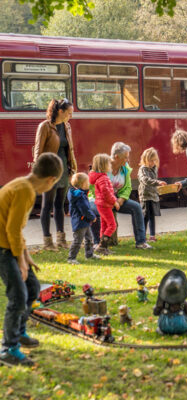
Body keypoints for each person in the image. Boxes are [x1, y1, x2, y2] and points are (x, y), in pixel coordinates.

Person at [0, 153, 63, 367]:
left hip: (9, 245)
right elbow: (12, 230)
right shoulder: (25, 191)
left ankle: (19, 332)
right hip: (2, 248)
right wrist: (20, 262)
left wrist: (26, 257)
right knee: (18, 297)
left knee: (33, 287)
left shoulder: (23, 185)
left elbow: (15, 228)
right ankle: (9, 349)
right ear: (50, 180)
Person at [89, 142, 152, 250]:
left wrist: (121, 199)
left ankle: (141, 242)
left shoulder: (125, 168)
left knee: (136, 207)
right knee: (96, 211)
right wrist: (110, 202)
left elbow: (127, 187)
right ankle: (97, 243)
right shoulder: (102, 166)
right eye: (126, 158)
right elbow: (92, 189)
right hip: (98, 200)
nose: (128, 160)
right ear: (117, 157)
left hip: (115, 200)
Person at [33, 98, 77, 251]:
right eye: (69, 113)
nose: (71, 116)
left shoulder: (67, 126)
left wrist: (72, 170)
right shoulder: (44, 127)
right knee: (47, 205)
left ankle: (61, 239)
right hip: (49, 170)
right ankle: (47, 241)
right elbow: (38, 152)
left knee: (60, 205)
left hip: (63, 169)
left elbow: (69, 150)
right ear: (60, 111)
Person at [89, 154, 119, 255]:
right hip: (104, 205)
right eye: (109, 164)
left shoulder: (100, 177)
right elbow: (106, 193)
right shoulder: (103, 178)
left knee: (104, 225)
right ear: (103, 166)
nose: (110, 166)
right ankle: (102, 246)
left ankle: (102, 247)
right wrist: (115, 201)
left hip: (101, 204)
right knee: (112, 225)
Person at [67, 173, 100, 264]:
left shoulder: (80, 194)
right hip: (80, 221)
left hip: (84, 221)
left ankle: (89, 254)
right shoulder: (79, 196)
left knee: (89, 238)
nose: (89, 184)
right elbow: (84, 209)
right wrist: (92, 217)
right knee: (78, 240)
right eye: (87, 183)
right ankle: (71, 258)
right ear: (82, 185)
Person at [153, 269, 187, 335]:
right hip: (182, 327)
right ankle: (184, 330)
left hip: (165, 326)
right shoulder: (183, 303)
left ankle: (163, 330)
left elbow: (155, 312)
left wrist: (159, 303)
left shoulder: (163, 302)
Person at [138, 148, 166, 242]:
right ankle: (142, 236)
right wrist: (157, 182)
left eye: (154, 160)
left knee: (152, 216)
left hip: (153, 195)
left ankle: (152, 236)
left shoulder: (154, 169)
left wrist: (159, 187)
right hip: (145, 196)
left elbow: (154, 182)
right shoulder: (143, 169)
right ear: (145, 159)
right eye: (151, 160)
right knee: (145, 216)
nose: (153, 162)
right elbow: (145, 180)